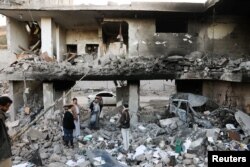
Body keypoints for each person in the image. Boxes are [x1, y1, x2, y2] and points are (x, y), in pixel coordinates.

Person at [0, 96, 13, 167]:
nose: (8, 109)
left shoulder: (2, 117)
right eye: (7, 106)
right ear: (0, 106)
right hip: (2, 153)